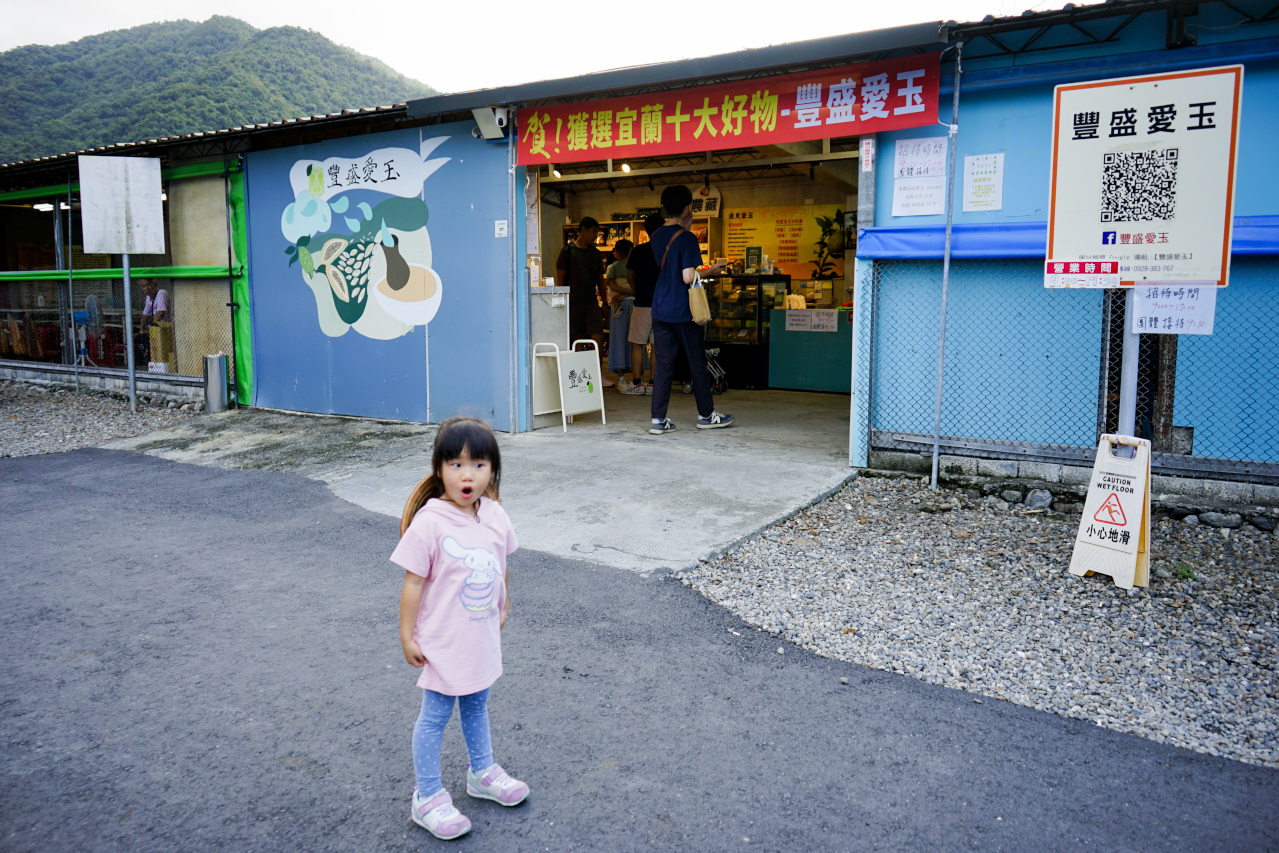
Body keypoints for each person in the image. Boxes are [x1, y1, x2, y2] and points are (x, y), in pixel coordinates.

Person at [392, 417, 529, 841]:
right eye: (456, 464)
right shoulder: (430, 522)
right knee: (434, 716)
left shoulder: (495, 515)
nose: (467, 475)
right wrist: (406, 633)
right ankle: (427, 796)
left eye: (479, 465)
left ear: (493, 472)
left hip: (481, 636)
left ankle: (482, 772)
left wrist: (503, 604)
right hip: (442, 641)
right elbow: (413, 581)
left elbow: (501, 564)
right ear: (439, 470)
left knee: (477, 704)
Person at [646, 185, 734, 434]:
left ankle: (658, 420)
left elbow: (667, 269)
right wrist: (710, 271)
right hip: (684, 310)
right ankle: (706, 415)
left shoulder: (655, 236)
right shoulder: (687, 238)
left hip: (660, 308)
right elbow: (687, 277)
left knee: (663, 366)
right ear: (686, 208)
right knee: (696, 363)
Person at [555, 217, 610, 384]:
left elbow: (601, 280)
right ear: (583, 229)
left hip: (592, 302)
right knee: (577, 338)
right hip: (573, 303)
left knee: (598, 337)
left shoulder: (594, 253)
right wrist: (563, 303)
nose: (595, 236)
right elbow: (560, 279)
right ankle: (580, 374)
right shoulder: (568, 251)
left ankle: (598, 374)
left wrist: (605, 303)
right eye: (593, 232)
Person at [620, 213, 664, 395]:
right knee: (656, 345)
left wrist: (637, 290)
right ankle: (654, 384)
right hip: (662, 304)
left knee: (637, 343)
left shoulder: (638, 251)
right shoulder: (666, 250)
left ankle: (637, 384)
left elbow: (630, 276)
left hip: (642, 303)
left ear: (645, 230)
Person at [606, 239, 635, 384]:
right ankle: (638, 375)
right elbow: (636, 288)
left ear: (616, 252)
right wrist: (630, 292)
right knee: (637, 341)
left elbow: (610, 284)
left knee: (618, 339)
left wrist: (623, 293)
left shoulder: (613, 267)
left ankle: (621, 376)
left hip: (618, 306)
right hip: (635, 304)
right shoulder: (635, 267)